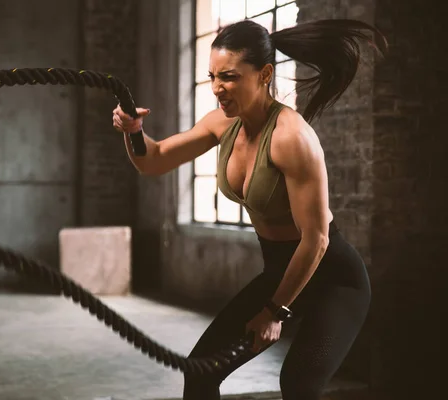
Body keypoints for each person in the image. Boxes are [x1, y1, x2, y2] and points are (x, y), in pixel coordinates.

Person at [112, 18, 387, 400]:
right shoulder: (223, 124)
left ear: (264, 74)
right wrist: (133, 132)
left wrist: (275, 311)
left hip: (333, 280)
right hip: (279, 271)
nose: (217, 89)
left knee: (298, 384)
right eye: (212, 76)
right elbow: (153, 160)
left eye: (229, 77)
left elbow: (317, 239)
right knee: (202, 371)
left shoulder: (292, 137)